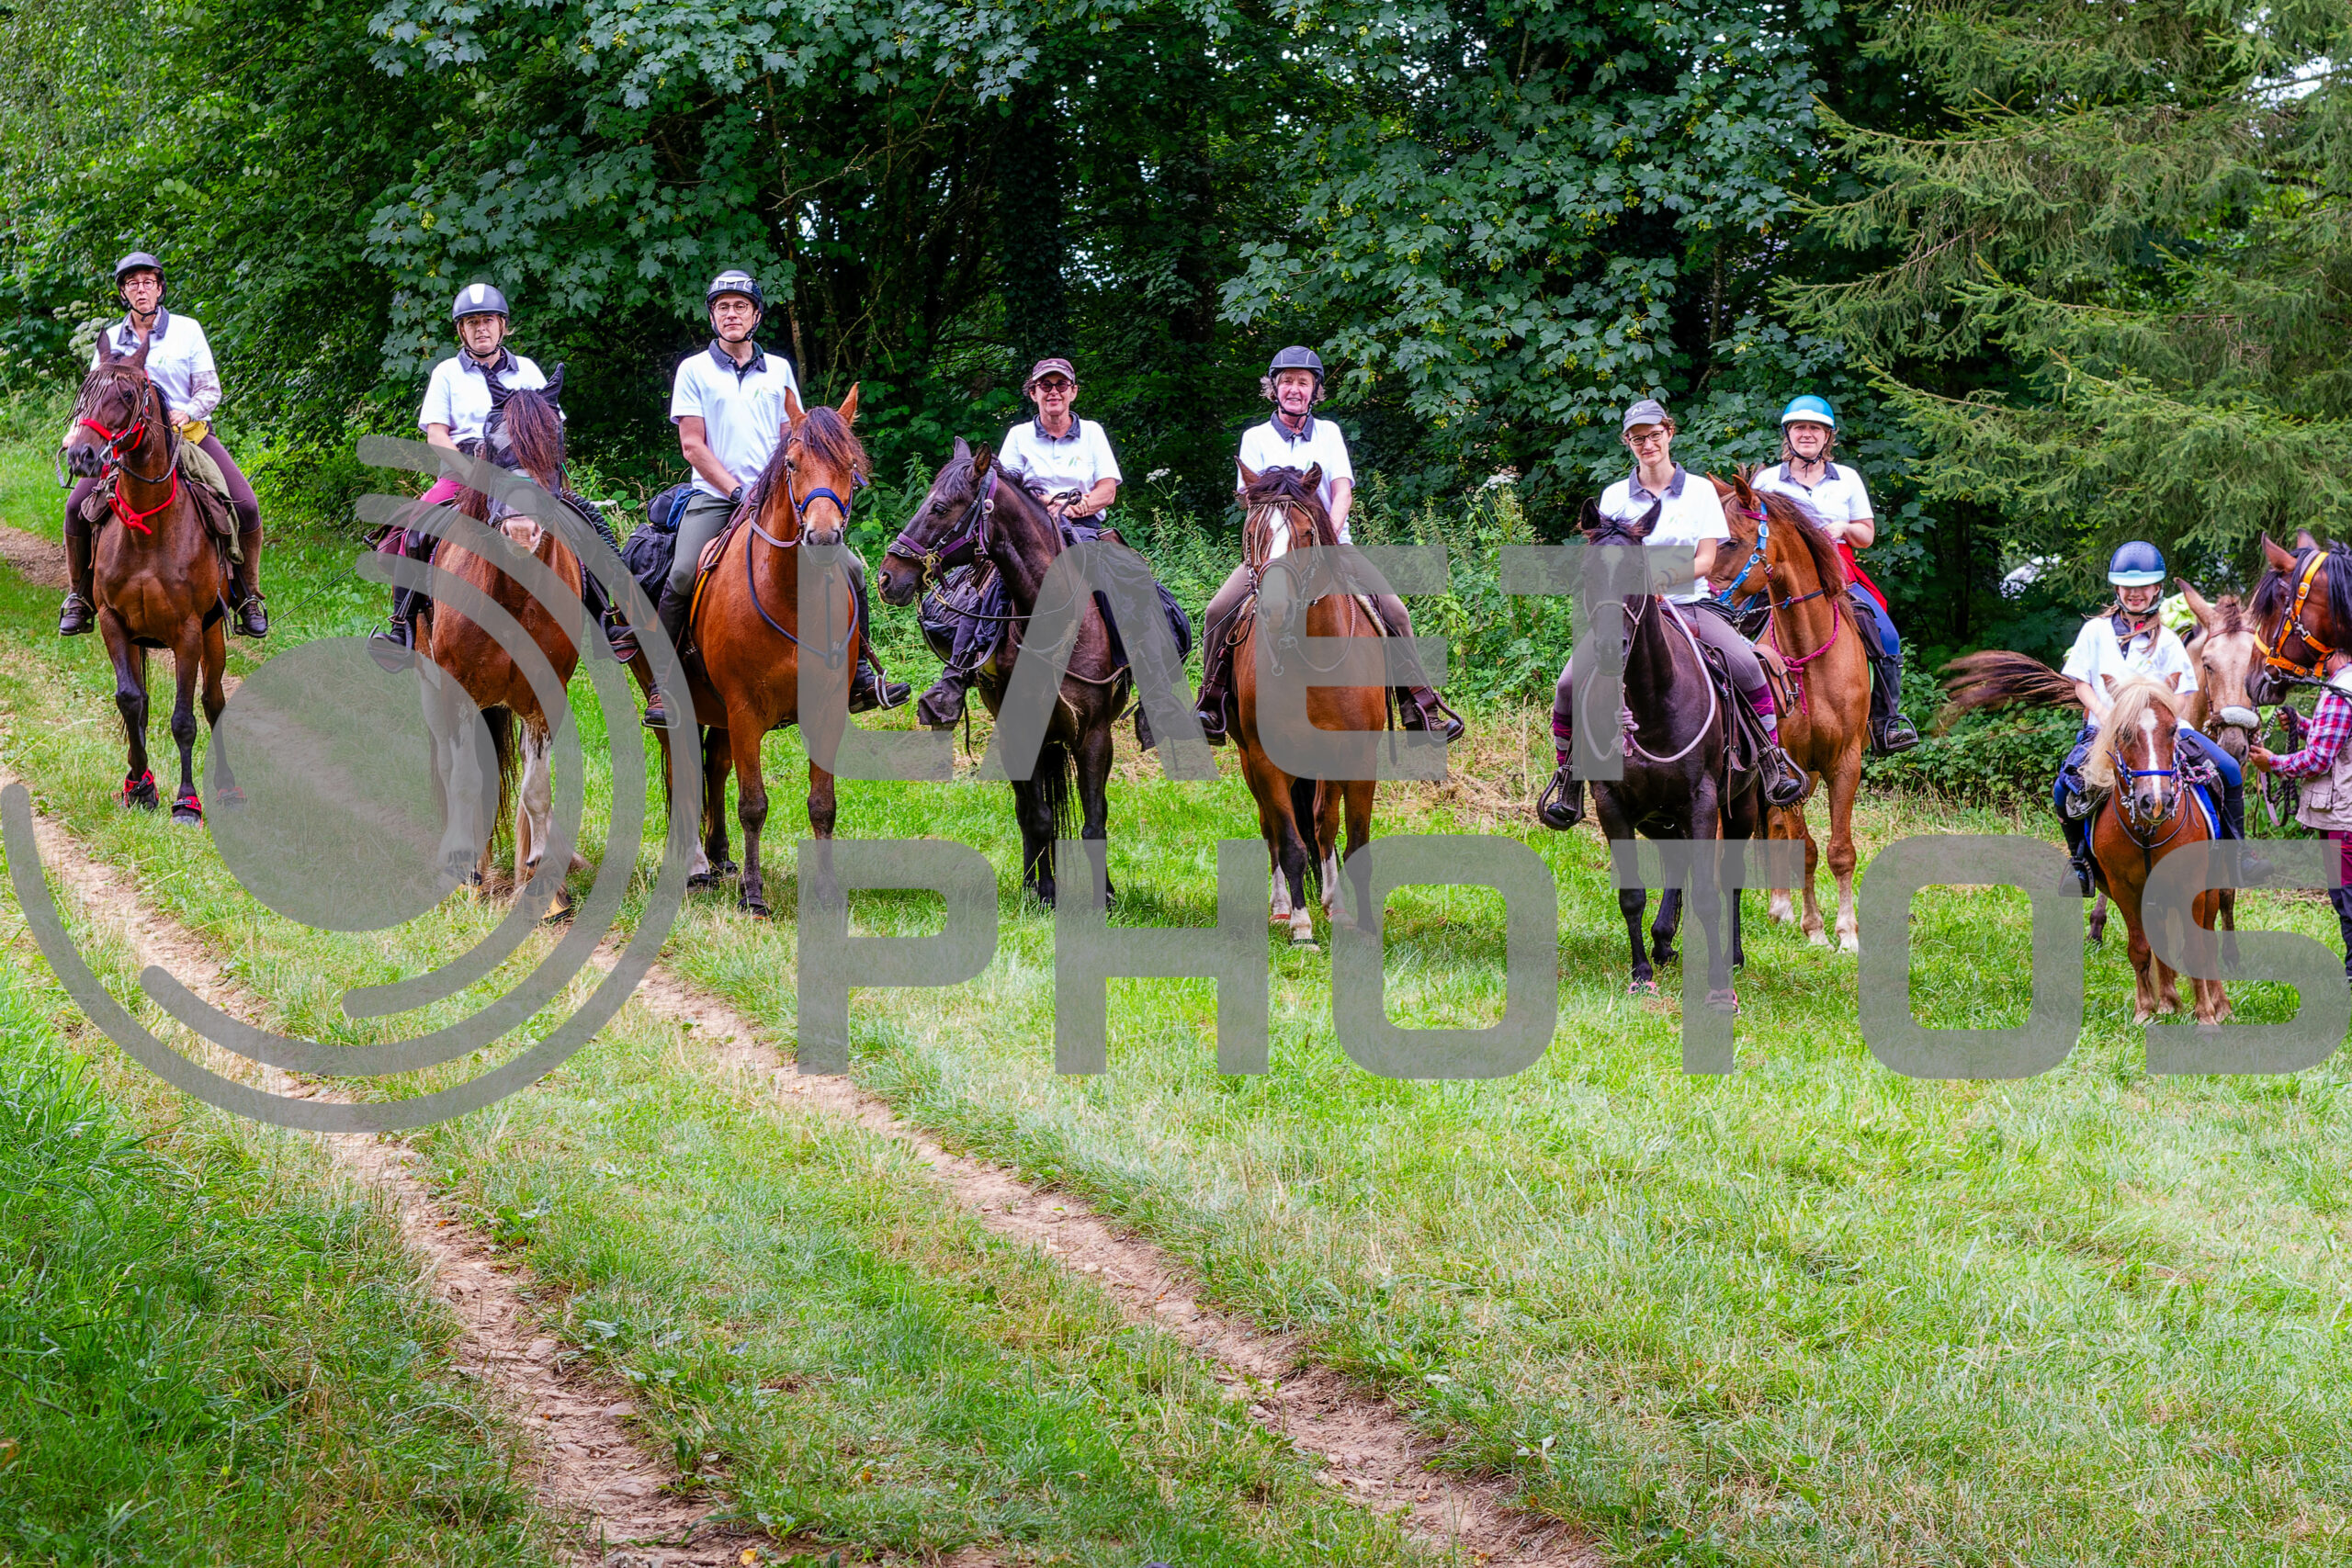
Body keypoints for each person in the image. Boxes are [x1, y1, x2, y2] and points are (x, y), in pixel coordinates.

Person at [641, 269, 906, 729]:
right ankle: (663, 684)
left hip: (775, 498)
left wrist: (787, 486)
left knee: (851, 568)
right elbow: (693, 446)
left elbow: (793, 436)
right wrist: (736, 490)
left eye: (740, 306)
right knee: (683, 571)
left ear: (756, 315)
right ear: (712, 316)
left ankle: (861, 674)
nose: (731, 314)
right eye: (723, 307)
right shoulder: (694, 370)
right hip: (715, 496)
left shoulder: (779, 369)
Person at [1536, 399, 1810, 830]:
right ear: (1628, 442)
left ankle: (1772, 761)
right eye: (1637, 438)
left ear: (1669, 433)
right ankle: (1568, 779)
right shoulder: (1614, 497)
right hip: (1627, 612)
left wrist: (1659, 577)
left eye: (1654, 435)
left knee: (1746, 665)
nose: (1647, 444)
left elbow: (1706, 559)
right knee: (1568, 682)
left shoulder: (1700, 491)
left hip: (1690, 604)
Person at [1193, 346, 1464, 744]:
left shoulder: (1330, 433)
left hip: (1332, 546)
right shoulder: (1255, 438)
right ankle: (1210, 703)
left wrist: (1326, 540)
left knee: (1395, 611)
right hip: (1273, 552)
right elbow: (1251, 500)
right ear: (1274, 388)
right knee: (1217, 610)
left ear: (1314, 390)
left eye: (1303, 382)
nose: (1294, 389)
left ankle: (1419, 707)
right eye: (1287, 381)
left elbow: (1342, 493)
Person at [370, 283, 636, 666]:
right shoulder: (447, 373)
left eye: (488, 321)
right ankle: (402, 628)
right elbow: (437, 435)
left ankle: (605, 620)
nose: (481, 328)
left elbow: (550, 427)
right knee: (415, 530)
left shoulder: (527, 369)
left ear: (503, 326)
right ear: (461, 330)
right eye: (472, 322)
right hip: (464, 474)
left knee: (583, 525)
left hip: (525, 474)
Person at [61, 252, 266, 637]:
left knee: (246, 505)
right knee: (76, 508)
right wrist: (76, 432)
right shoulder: (110, 339)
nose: (141, 289)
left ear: (159, 288)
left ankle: (247, 595)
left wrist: (188, 412)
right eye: (133, 283)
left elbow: (210, 388)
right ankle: (79, 596)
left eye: (148, 282)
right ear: (124, 292)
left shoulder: (187, 330)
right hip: (124, 443)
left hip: (186, 436)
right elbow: (94, 398)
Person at [915, 356, 1123, 729]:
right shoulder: (1018, 436)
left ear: (1073, 392)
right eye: (1046, 385)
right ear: (1033, 393)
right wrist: (1045, 505)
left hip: (1084, 528)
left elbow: (1107, 488)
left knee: (1124, 588)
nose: (1054, 392)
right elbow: (1005, 485)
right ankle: (954, 680)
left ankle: (1149, 687)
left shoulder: (1092, 432)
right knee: (988, 588)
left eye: (1061, 385)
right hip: (1028, 533)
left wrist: (1078, 507)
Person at [2052, 541, 2252, 896]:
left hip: (2162, 731)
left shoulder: (2169, 640)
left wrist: (2164, 721)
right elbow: (2081, 683)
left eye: (2144, 587)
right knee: (2062, 788)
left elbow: (2183, 692)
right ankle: (2080, 865)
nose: (2135, 594)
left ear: (2157, 588)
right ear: (2116, 589)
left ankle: (2237, 857)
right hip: (2105, 729)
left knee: (2229, 770)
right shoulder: (2095, 632)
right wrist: (2106, 715)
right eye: (2128, 587)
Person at [1747, 395, 1918, 755]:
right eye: (1799, 427)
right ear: (1788, 434)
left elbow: (1866, 537)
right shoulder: (1767, 480)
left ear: (1828, 436)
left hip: (1836, 573)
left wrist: (1843, 527)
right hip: (1781, 575)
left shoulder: (1847, 479)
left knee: (1887, 637)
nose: (1807, 434)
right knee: (1734, 630)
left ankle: (1886, 722)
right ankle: (1742, 727)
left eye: (1815, 428)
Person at [2248, 658, 2352, 982]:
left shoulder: (2340, 690)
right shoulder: (2344, 685)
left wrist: (2273, 762)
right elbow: (2339, 737)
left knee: (2347, 899)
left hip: (2343, 818)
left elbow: (2318, 759)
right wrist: (2302, 725)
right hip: (2343, 815)